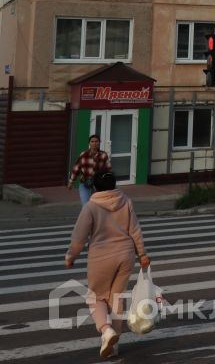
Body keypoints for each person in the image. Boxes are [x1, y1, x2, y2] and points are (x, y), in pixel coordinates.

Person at [65, 170, 150, 360]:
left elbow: (79, 237)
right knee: (116, 299)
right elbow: (135, 230)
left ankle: (106, 330)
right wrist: (142, 254)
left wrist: (71, 257)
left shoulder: (91, 206)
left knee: (95, 297)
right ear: (114, 185)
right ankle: (114, 346)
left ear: (94, 187)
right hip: (126, 255)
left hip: (101, 257)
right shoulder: (125, 201)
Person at [68, 134, 112, 205]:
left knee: (97, 205)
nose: (94, 143)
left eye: (96, 141)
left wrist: (109, 183)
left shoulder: (103, 155)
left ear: (99, 143)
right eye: (92, 141)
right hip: (84, 183)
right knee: (85, 205)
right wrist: (71, 181)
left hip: (98, 184)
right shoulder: (83, 155)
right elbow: (76, 168)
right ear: (89, 143)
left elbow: (109, 169)